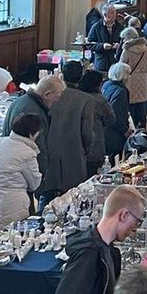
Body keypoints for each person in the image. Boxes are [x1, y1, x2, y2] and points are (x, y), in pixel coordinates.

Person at [43, 61, 103, 197]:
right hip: (74, 154)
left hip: (50, 153)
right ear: (81, 77)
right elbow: (87, 132)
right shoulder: (85, 99)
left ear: (62, 76)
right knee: (73, 197)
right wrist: (85, 150)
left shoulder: (53, 94)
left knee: (47, 196)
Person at [0, 114, 42, 235]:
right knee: (13, 243)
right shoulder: (27, 153)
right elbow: (34, 184)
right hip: (13, 206)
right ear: (31, 134)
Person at [116, 26, 147, 125]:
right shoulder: (145, 49)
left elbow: (121, 66)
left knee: (131, 109)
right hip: (143, 80)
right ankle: (143, 130)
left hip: (130, 80)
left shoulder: (127, 50)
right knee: (141, 108)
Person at [101, 62, 132, 160]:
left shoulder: (106, 85)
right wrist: (125, 130)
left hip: (104, 129)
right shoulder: (121, 91)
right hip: (115, 133)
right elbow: (117, 114)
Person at [87, 3, 122, 75]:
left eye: (115, 11)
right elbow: (89, 44)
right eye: (112, 12)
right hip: (101, 62)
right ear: (105, 15)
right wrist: (102, 46)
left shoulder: (120, 27)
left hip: (115, 62)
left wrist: (119, 45)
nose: (115, 14)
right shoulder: (96, 27)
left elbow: (124, 42)